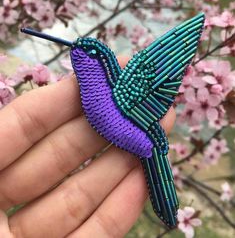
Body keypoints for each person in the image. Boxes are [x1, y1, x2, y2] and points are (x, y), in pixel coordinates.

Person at [0, 57, 175, 238]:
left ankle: (168, 209)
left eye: (85, 54)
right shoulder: (98, 90)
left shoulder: (119, 90)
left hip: (142, 137)